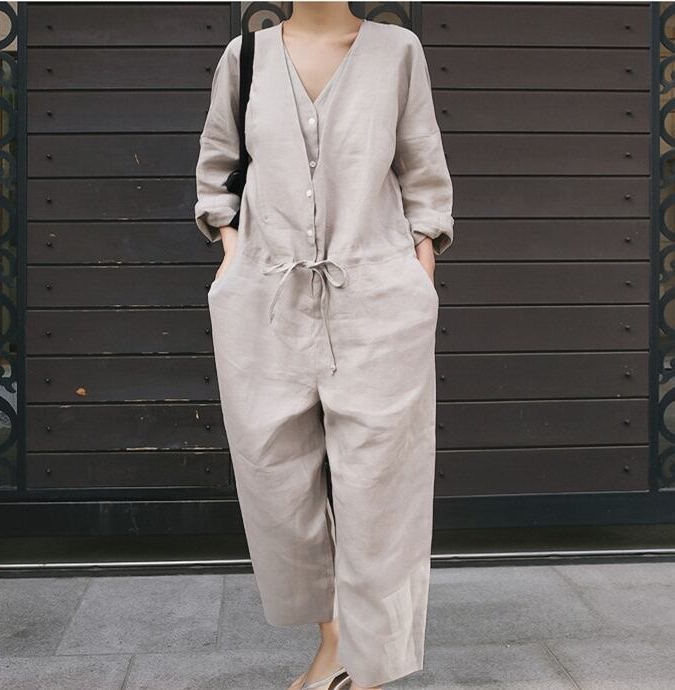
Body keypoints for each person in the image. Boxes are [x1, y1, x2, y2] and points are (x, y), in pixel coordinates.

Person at [194, 2, 454, 688]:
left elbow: (423, 169)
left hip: (377, 294)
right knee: (275, 479)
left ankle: (367, 665)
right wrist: (231, 254)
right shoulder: (245, 57)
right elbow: (217, 167)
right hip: (265, 297)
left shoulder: (397, 52)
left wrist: (420, 264)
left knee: (381, 483)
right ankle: (334, 638)